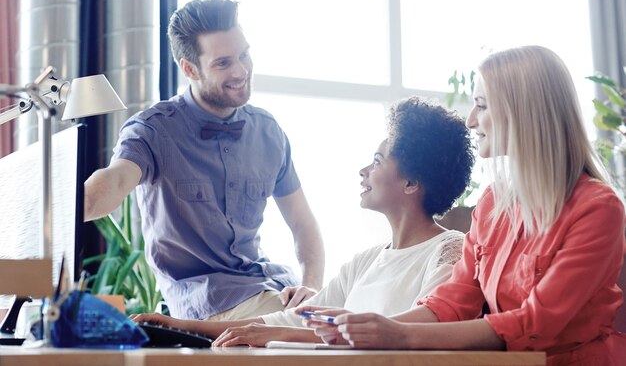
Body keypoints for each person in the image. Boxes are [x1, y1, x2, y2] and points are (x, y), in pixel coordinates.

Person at [300, 46, 626, 366]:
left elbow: (534, 325)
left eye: (481, 106)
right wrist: (369, 328)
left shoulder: (598, 208)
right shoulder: (493, 204)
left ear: (522, 113)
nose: (471, 120)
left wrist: (398, 334)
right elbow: (452, 302)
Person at [130, 96, 475, 347]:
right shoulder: (365, 262)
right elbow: (295, 318)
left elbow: (424, 333)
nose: (364, 171)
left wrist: (278, 333)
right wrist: (178, 325)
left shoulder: (449, 250)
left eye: (377, 161)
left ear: (412, 183)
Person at [83, 0, 325, 320]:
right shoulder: (153, 131)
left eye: (244, 55)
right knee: (310, 331)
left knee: (354, 316)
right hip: (206, 300)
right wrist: (68, 207)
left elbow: (303, 223)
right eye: (223, 63)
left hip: (270, 287)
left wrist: (310, 286)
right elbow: (115, 180)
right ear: (189, 69)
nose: (241, 70)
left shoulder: (269, 132)